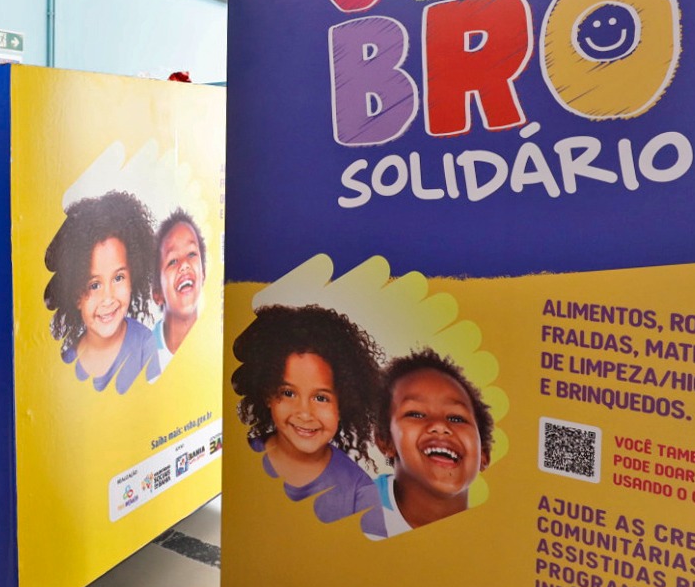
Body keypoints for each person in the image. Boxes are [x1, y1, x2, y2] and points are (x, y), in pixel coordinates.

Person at [231, 304, 386, 536]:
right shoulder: (241, 461)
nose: (304, 413)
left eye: (321, 398)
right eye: (288, 393)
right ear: (267, 394)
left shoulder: (359, 492)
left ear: (344, 404)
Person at [43, 190, 158, 395]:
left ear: (133, 276)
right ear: (75, 295)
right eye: (94, 285)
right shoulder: (67, 360)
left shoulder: (144, 346)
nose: (108, 298)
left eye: (118, 278)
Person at [374, 349, 494, 534]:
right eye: (416, 414)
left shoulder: (495, 536)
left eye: (456, 418)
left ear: (483, 455)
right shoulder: (350, 512)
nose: (440, 425)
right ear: (386, 441)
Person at [149, 209, 206, 379]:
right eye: (173, 261)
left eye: (192, 254)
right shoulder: (143, 358)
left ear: (203, 274)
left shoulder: (213, 345)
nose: (184, 265)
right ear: (157, 293)